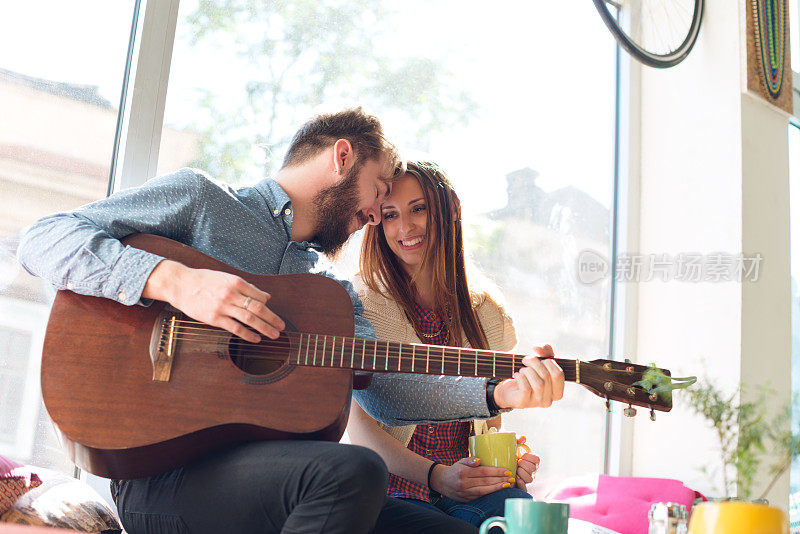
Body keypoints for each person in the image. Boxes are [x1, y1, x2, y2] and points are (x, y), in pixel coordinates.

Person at [17, 108, 565, 534]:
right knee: (354, 471)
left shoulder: (329, 295)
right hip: (162, 481)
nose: (377, 215)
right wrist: (176, 282)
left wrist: (499, 393)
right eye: (379, 191)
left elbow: (390, 392)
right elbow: (44, 239)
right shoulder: (203, 202)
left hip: (276, 483)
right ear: (342, 157)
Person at [348, 161, 547, 529]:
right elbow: (355, 428)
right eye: (390, 215)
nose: (405, 227)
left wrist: (504, 468)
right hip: (392, 491)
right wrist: (437, 476)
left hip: (467, 491)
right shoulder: (361, 303)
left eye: (418, 208)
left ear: (451, 208)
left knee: (526, 518)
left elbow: (487, 423)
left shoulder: (487, 313)